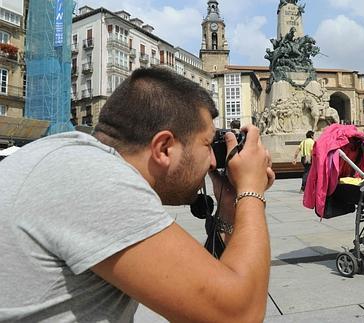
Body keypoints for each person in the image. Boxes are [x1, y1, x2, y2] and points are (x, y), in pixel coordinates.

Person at [0, 67, 275, 322]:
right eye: (207, 144)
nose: (213, 162)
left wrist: (229, 207)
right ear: (164, 148)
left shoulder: (70, 160)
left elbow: (202, 297)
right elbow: (239, 313)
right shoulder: (95, 180)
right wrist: (251, 188)